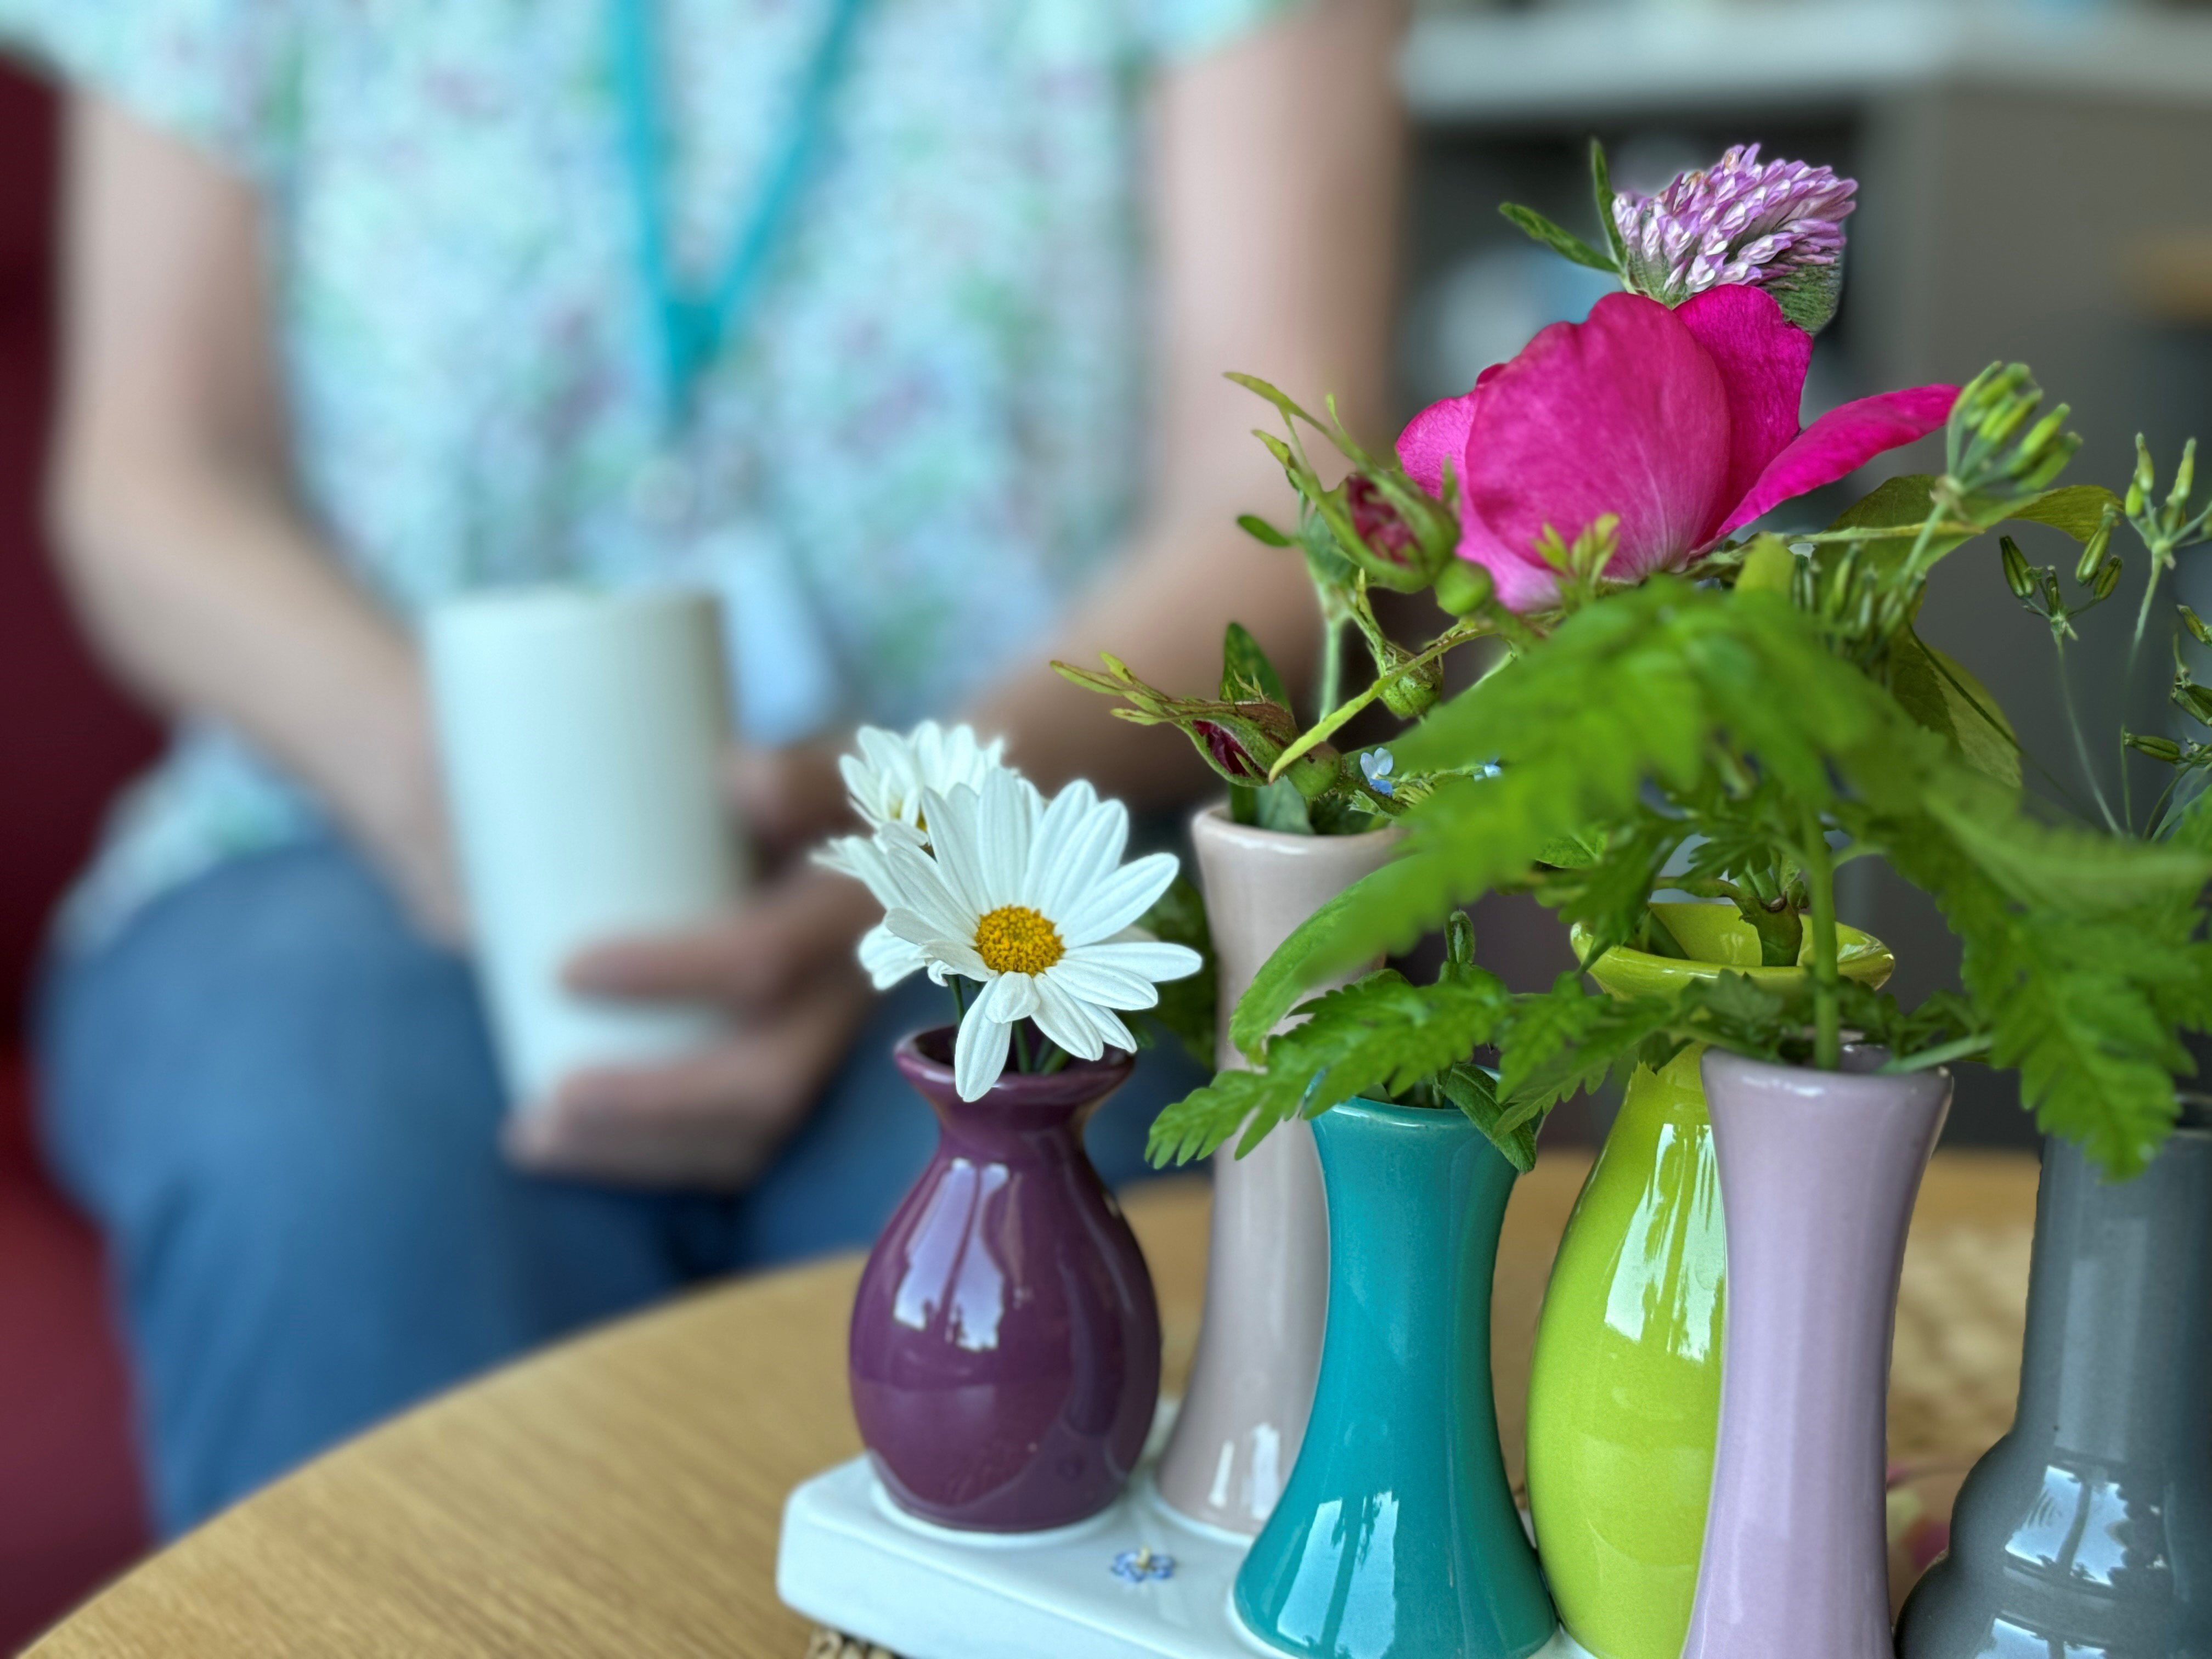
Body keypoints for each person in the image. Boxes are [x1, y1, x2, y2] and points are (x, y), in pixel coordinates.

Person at [0, 0, 1401, 1534]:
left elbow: (1281, 505)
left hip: (1016, 855)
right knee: (325, 1144)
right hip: (343, 817)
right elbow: (148, 483)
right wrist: (453, 787)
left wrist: (924, 831)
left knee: (999, 1213)